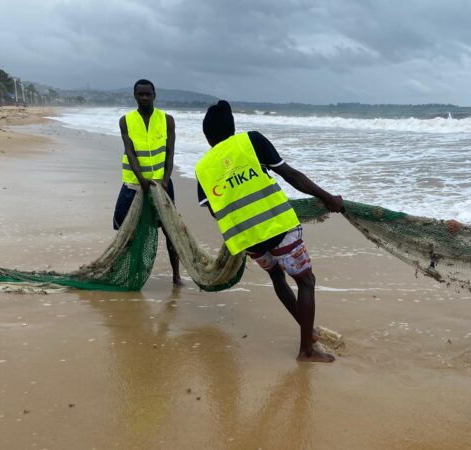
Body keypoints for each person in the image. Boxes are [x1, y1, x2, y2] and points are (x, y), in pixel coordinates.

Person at [195, 100, 343, 363]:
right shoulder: (250, 141)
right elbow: (291, 176)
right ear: (232, 127)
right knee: (306, 281)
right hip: (277, 226)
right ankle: (306, 350)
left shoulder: (203, 168)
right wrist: (327, 197)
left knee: (277, 277)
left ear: (207, 137)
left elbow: (215, 211)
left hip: (248, 239)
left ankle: (309, 334)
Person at [113, 79, 182, 287]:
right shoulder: (126, 120)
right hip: (134, 184)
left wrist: (166, 178)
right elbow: (130, 152)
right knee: (124, 227)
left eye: (148, 94)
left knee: (170, 230)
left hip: (162, 184)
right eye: (140, 94)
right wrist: (141, 179)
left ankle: (176, 276)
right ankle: (126, 270)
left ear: (154, 95)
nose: (144, 98)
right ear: (135, 96)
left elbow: (170, 153)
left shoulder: (167, 119)